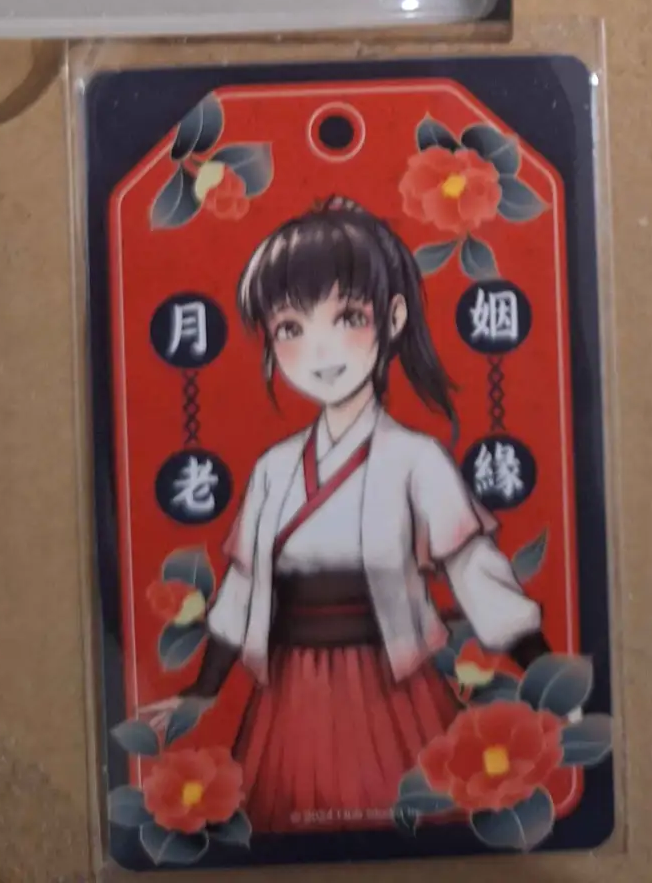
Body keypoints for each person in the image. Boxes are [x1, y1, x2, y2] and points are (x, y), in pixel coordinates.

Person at [186, 198, 546, 832]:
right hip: (290, 691)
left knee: (413, 824)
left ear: (394, 316)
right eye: (291, 328)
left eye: (347, 317)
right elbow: (240, 593)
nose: (319, 351)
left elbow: (475, 574)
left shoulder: (415, 459)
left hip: (389, 685)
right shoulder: (273, 469)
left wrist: (547, 676)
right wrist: (199, 693)